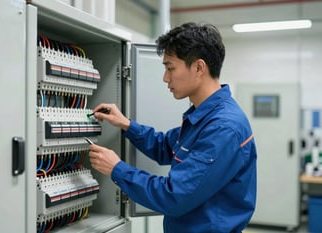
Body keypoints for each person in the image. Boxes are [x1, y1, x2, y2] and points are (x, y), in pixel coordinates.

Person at [88, 22, 257, 233]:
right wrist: (126, 125)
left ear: (198, 67)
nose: (165, 78)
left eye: (170, 68)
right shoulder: (205, 116)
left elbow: (174, 196)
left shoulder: (223, 127)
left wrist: (117, 169)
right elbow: (166, 147)